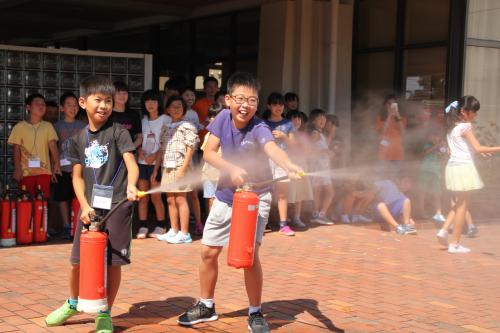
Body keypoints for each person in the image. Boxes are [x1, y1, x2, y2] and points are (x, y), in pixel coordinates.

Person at [177, 72, 302, 333]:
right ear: (228, 100)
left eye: (252, 100)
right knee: (208, 251)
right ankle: (206, 305)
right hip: (226, 195)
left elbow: (272, 149)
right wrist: (231, 169)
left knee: (249, 256)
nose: (245, 105)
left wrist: (289, 165)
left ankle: (255, 312)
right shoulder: (222, 118)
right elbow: (209, 152)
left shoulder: (260, 127)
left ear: (258, 104)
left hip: (256, 197)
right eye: (240, 99)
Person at [44, 75, 139, 333]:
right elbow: (76, 177)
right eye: (98, 100)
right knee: (77, 261)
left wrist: (132, 185)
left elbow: (131, 163)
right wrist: (84, 206)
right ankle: (73, 302)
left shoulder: (119, 132)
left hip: (118, 205)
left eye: (108, 101)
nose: (104, 106)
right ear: (84, 102)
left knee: (113, 263)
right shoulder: (77, 140)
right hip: (90, 209)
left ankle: (105, 311)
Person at [436, 97, 500, 253]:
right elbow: (478, 148)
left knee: (459, 203)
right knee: (462, 207)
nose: (475, 115)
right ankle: (455, 244)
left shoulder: (453, 127)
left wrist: (480, 153)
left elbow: (464, 148)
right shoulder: (466, 127)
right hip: (464, 168)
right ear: (464, 112)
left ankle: (444, 231)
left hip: (453, 167)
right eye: (474, 112)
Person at [152, 96, 199, 244]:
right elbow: (161, 149)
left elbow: (190, 148)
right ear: (167, 110)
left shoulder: (188, 126)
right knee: (170, 199)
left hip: (180, 167)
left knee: (180, 198)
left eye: (179, 106)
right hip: (167, 167)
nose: (176, 108)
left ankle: (185, 233)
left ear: (184, 109)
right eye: (173, 106)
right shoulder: (166, 127)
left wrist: (183, 169)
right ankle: (174, 229)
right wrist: (155, 170)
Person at [8, 93, 61, 198]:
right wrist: (17, 169)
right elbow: (16, 149)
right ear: (28, 107)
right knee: (26, 200)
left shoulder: (48, 126)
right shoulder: (19, 127)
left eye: (43, 104)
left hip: (44, 172)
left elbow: (53, 146)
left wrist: (57, 164)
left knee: (42, 202)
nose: (41, 106)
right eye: (37, 103)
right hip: (25, 172)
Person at [136, 90, 170, 239]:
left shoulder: (166, 119)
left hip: (157, 164)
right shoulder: (142, 120)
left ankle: (161, 225)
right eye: (147, 101)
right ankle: (143, 226)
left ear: (159, 103)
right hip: (142, 162)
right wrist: (140, 152)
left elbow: (165, 143)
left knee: (156, 196)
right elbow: (139, 139)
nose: (150, 104)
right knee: (143, 196)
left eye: (154, 101)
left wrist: (155, 157)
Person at [263, 92, 296, 236]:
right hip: (266, 161)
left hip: (283, 161)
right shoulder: (263, 123)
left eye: (281, 104)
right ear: (269, 106)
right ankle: (263, 223)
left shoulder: (288, 124)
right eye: (275, 104)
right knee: (265, 192)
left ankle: (283, 224)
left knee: (282, 193)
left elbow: (293, 145)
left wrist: (284, 137)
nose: (279, 107)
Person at [53, 92, 86, 238]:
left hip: (79, 169)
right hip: (62, 169)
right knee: (63, 198)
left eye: (75, 105)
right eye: (69, 105)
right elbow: (52, 148)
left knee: (79, 197)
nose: (73, 108)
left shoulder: (83, 126)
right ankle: (67, 226)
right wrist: (53, 167)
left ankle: (77, 225)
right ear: (61, 108)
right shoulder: (55, 126)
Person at [181, 87, 204, 235]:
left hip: (193, 152)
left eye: (192, 95)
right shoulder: (176, 113)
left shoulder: (194, 113)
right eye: (187, 95)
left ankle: (197, 221)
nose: (190, 97)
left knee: (193, 189)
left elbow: (196, 130)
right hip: (180, 154)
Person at [306, 109, 335, 225]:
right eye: (320, 118)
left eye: (324, 118)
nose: (323, 120)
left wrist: (326, 150)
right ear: (313, 121)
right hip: (319, 168)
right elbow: (309, 151)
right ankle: (320, 215)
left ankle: (316, 215)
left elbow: (322, 147)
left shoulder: (320, 134)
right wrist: (324, 151)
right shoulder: (315, 133)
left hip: (322, 167)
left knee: (318, 191)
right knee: (329, 192)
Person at [287, 110, 313, 227]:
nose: (297, 121)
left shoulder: (303, 135)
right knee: (287, 192)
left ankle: (296, 217)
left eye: (299, 118)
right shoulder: (286, 133)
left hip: (301, 164)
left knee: (299, 193)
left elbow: (308, 151)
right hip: (287, 164)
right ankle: (283, 217)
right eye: (294, 118)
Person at [416, 129, 447, 221]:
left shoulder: (440, 147)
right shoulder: (427, 145)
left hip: (436, 172)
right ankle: (421, 212)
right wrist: (437, 146)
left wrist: (443, 149)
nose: (435, 138)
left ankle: (438, 212)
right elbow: (425, 153)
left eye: (437, 137)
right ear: (429, 138)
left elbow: (444, 156)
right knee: (422, 192)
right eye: (433, 136)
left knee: (437, 193)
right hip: (425, 171)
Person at [375, 95, 406, 178]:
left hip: (397, 154)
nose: (391, 106)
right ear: (385, 105)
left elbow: (403, 132)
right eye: (389, 104)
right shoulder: (380, 118)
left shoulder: (401, 118)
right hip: (383, 154)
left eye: (394, 104)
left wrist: (397, 115)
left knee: (396, 179)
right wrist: (389, 116)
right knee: (381, 178)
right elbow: (382, 131)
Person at [201, 103, 223, 214]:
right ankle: (211, 224)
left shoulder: (227, 134)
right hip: (208, 173)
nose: (214, 119)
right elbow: (204, 155)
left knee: (222, 201)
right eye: (211, 116)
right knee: (210, 199)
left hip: (223, 174)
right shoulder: (207, 135)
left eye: (217, 116)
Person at [111, 81, 142, 149]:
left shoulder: (134, 114)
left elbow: (139, 137)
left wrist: (129, 149)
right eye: (118, 93)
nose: (122, 96)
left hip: (130, 153)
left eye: (124, 93)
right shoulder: (107, 114)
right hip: (111, 153)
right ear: (112, 95)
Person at [192, 76, 219, 142]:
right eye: (209, 86)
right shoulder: (198, 104)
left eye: (214, 86)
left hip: (218, 137)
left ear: (218, 88)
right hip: (202, 138)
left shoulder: (221, 103)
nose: (212, 89)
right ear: (204, 88)